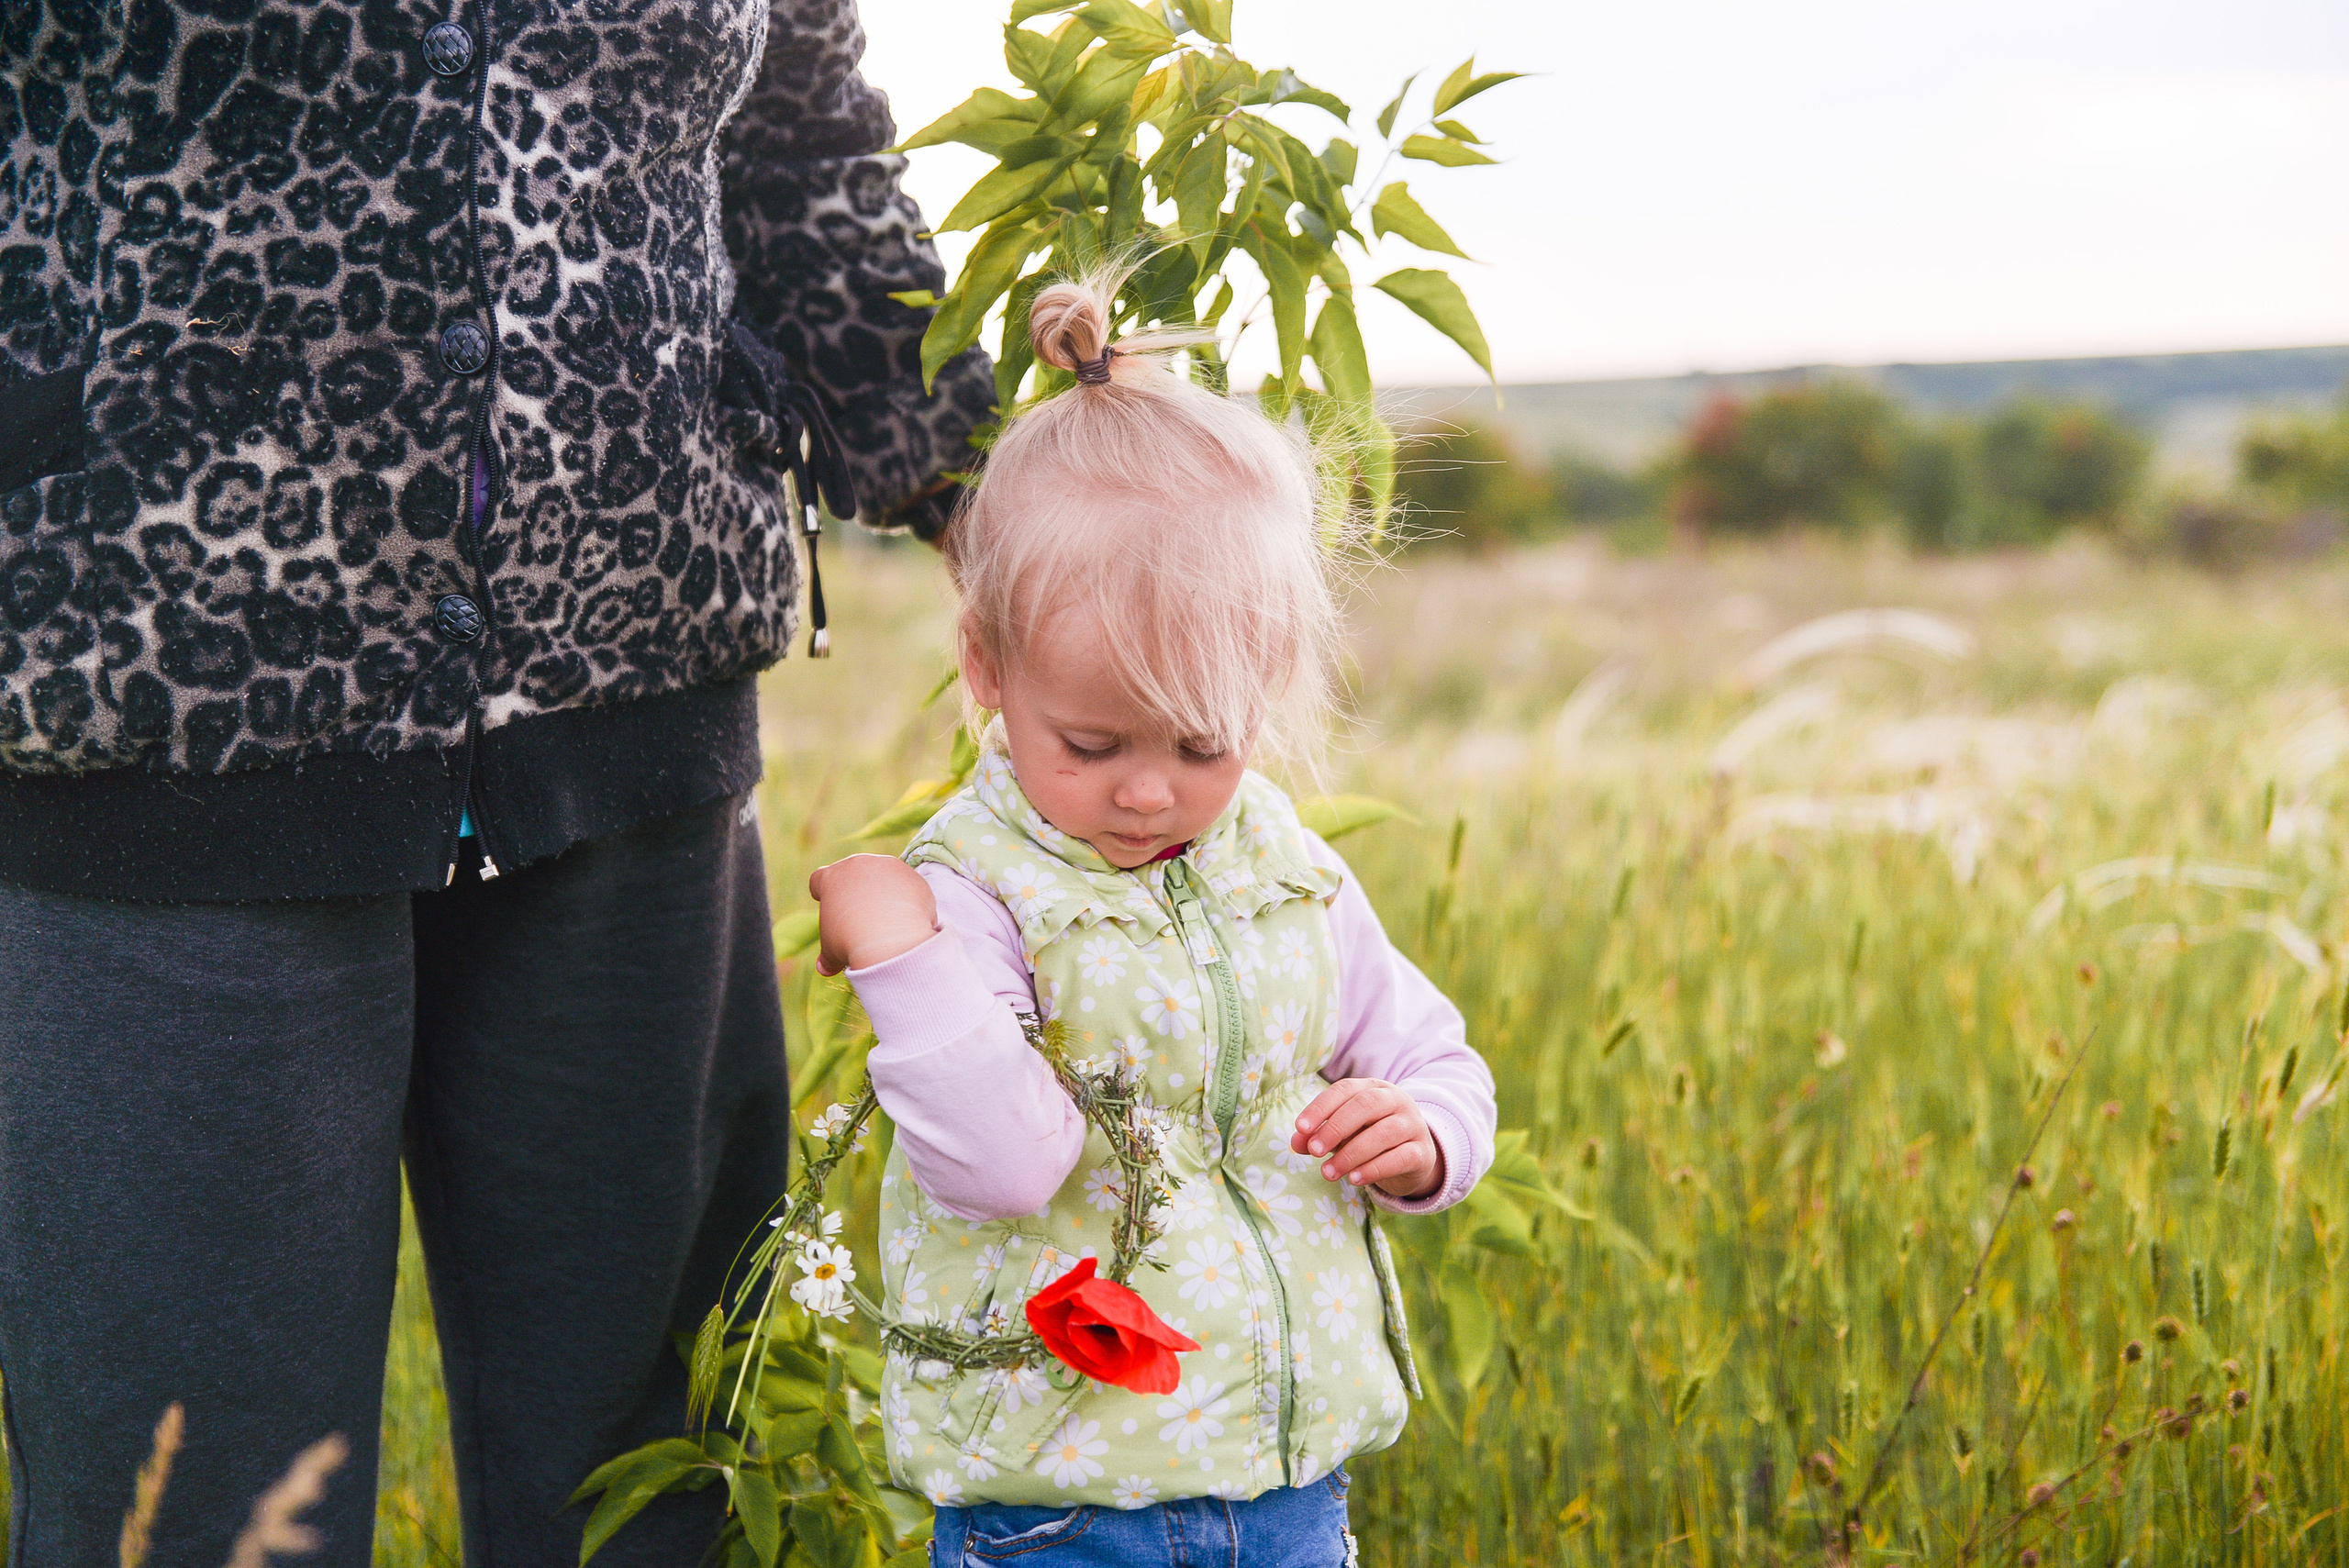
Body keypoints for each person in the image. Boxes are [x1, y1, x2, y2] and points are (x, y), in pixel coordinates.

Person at [0, 0, 991, 1561]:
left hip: (637, 715)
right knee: (196, 1520)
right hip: (163, 709)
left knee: (657, 1497)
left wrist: (985, 478)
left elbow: (799, 120)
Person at [808, 273, 1497, 1566]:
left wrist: (1423, 1134)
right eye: (1091, 740)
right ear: (988, 669)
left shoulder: (1283, 867)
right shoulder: (972, 891)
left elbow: (1432, 1056)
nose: (1144, 788)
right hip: (1062, 1507)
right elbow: (1006, 1164)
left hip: (1288, 1489)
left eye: (1201, 740)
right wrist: (902, 956)